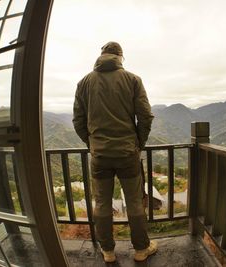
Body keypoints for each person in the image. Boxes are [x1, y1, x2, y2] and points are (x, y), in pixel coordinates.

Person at [72, 41, 156, 263]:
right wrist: (139, 143)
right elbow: (145, 116)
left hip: (99, 156)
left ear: (101, 55)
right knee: (135, 202)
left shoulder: (84, 83)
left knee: (102, 204)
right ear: (120, 57)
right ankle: (141, 249)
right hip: (128, 153)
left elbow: (78, 121)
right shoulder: (133, 80)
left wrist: (92, 144)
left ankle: (108, 251)